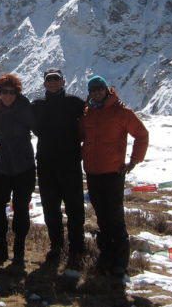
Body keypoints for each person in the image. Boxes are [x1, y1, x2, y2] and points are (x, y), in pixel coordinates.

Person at [80, 75, 148, 277]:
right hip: (92, 173)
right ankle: (106, 257)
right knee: (102, 218)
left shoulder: (121, 112)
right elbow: (80, 136)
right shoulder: (87, 114)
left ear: (107, 90)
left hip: (113, 173)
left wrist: (134, 161)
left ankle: (120, 263)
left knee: (115, 218)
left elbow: (142, 135)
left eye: (100, 89)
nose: (97, 93)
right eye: (93, 90)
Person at [31, 67, 86, 267]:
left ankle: (77, 248)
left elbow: (94, 115)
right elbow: (27, 122)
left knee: (75, 209)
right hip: (46, 165)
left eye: (56, 80)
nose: (53, 83)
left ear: (63, 82)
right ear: (44, 84)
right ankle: (57, 246)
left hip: (71, 164)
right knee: (50, 209)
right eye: (49, 80)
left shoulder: (75, 103)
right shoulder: (37, 105)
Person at [0, 74, 36, 267]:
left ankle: (19, 250)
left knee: (21, 209)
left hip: (24, 167)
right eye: (4, 92)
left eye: (12, 92)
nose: (8, 95)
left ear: (17, 93)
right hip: (1, 166)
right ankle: (0, 248)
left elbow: (41, 127)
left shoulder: (26, 108)